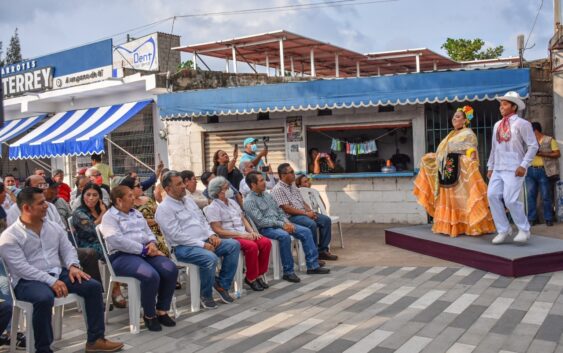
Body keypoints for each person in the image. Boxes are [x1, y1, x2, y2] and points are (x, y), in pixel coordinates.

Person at [0, 187, 124, 353]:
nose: (46, 205)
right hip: (27, 281)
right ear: (26, 208)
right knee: (43, 299)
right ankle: (43, 349)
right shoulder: (10, 236)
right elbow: (21, 268)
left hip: (57, 273)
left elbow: (68, 249)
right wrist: (51, 281)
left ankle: (95, 340)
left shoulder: (53, 227)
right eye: (41, 203)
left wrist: (73, 266)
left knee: (92, 286)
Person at [155, 171, 241, 309]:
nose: (184, 186)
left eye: (183, 182)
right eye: (179, 184)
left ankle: (222, 285)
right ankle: (205, 295)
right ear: (168, 189)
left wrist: (211, 235)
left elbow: (202, 220)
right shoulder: (164, 209)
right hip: (182, 248)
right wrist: (202, 244)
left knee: (233, 245)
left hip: (205, 240)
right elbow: (176, 235)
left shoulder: (188, 200)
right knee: (210, 258)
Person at [100, 185, 178, 332]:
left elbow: (148, 232)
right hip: (121, 256)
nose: (133, 198)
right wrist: (143, 250)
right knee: (150, 275)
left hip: (145, 251)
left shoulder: (135, 213)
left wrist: (152, 244)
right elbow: (116, 240)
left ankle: (162, 310)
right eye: (129, 196)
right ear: (118, 200)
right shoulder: (109, 217)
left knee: (170, 269)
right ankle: (149, 315)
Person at [413, 106, 496, 237]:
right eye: (453, 116)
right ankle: (451, 226)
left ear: (465, 121)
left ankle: (467, 225)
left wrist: (471, 156)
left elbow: (470, 150)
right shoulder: (451, 134)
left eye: (457, 117)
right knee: (449, 198)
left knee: (462, 199)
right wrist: (433, 157)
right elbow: (444, 152)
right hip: (448, 168)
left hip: (460, 171)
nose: (454, 119)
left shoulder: (469, 134)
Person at [243, 171, 330, 283]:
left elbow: (280, 211)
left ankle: (313, 266)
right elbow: (261, 222)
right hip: (267, 229)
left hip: (281, 223)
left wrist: (286, 222)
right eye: (261, 181)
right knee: (284, 236)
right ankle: (288, 272)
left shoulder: (267, 195)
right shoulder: (249, 201)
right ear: (253, 185)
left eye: (263, 180)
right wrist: (282, 224)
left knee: (306, 231)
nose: (264, 183)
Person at [487, 92, 539, 244]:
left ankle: (524, 229)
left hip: (514, 167)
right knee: (492, 195)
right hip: (498, 167)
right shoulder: (497, 125)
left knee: (510, 200)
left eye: (505, 104)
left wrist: (524, 165)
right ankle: (504, 229)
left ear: (514, 106)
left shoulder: (522, 124)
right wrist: (490, 166)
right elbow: (494, 148)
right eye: (501, 104)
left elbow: (533, 145)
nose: (501, 107)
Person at [206, 177, 271, 291]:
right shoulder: (213, 208)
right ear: (219, 191)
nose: (230, 189)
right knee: (252, 246)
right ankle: (251, 278)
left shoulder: (232, 202)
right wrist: (241, 235)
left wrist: (251, 231)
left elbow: (243, 218)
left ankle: (259, 274)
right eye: (227, 188)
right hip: (231, 236)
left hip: (244, 233)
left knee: (265, 242)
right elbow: (218, 230)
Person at [71, 183, 126, 308]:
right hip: (89, 243)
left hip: (107, 240)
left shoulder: (104, 208)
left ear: (99, 197)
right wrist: (103, 213)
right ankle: (115, 288)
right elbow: (92, 229)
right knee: (108, 251)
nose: (91, 198)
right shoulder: (79, 213)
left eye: (95, 195)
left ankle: (121, 279)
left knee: (122, 248)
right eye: (88, 195)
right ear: (82, 196)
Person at [272, 164, 337, 261]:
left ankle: (322, 251)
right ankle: (313, 255)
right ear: (283, 175)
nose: (294, 175)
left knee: (325, 220)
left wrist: (310, 211)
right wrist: (306, 214)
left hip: (303, 213)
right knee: (311, 224)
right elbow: (286, 208)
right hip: (291, 217)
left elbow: (302, 202)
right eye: (291, 172)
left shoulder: (293, 186)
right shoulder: (278, 189)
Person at [119, 177, 170, 257]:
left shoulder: (148, 199)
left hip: (161, 228)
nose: (141, 187)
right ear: (130, 190)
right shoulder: (128, 205)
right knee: (159, 241)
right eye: (138, 185)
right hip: (146, 232)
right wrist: (157, 221)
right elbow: (136, 222)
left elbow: (160, 213)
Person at [526, 122, 560, 227]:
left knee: (546, 196)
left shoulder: (549, 140)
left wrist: (542, 154)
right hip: (530, 171)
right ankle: (532, 219)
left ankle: (548, 218)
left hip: (544, 171)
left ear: (535, 130)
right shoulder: (528, 141)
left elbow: (557, 153)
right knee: (530, 196)